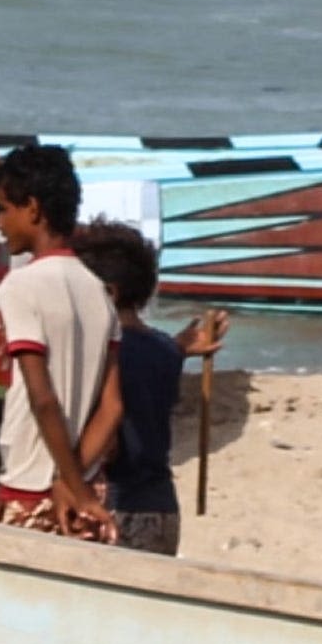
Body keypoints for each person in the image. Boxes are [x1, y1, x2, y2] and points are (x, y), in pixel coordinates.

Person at [0, 144, 114, 539]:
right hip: (87, 482)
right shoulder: (99, 291)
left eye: (4, 209)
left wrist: (67, 483)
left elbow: (43, 399)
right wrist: (79, 483)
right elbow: (112, 407)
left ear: (33, 209)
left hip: (31, 483)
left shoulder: (21, 285)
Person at [71, 221, 219, 556]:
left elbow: (108, 436)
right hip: (161, 505)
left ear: (109, 292)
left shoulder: (105, 352)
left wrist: (66, 478)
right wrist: (181, 347)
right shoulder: (163, 349)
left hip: (115, 502)